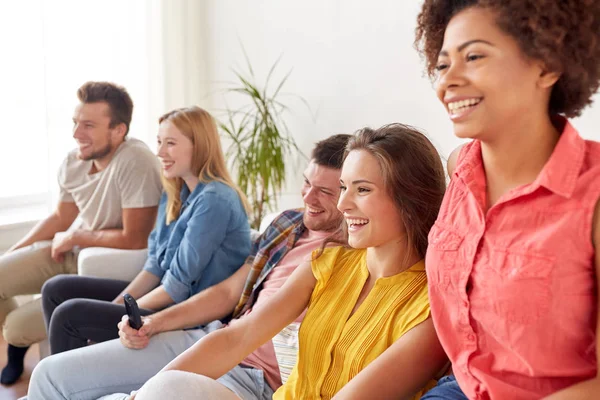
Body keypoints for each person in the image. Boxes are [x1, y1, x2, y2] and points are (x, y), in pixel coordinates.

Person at [131, 124, 449, 400]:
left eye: (362, 190)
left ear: (411, 200)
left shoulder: (432, 307)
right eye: (343, 188)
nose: (343, 204)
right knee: (165, 389)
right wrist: (146, 391)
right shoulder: (326, 264)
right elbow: (237, 337)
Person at [24, 134, 352, 400]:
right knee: (50, 375)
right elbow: (227, 292)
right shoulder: (287, 223)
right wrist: (154, 322)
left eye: (324, 192)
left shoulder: (360, 258)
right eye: (307, 183)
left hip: (258, 382)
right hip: (213, 339)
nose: (308, 197)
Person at [414, 1, 600, 399]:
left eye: (474, 56)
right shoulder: (461, 172)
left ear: (548, 64)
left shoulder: (593, 196)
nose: (448, 81)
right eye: (443, 64)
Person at [40, 105, 252, 355]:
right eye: (159, 141)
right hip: (166, 294)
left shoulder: (215, 200)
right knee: (57, 289)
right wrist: (118, 306)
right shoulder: (174, 192)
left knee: (71, 314)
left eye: (170, 143)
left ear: (200, 146)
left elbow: (177, 287)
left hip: (188, 311)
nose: (160, 152)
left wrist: (118, 316)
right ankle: (69, 375)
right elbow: (154, 267)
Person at [0, 81, 162, 385]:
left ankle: (15, 342)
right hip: (67, 252)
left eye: (88, 125)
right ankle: (16, 343)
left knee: (14, 328)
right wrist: (15, 251)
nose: (76, 134)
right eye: (75, 123)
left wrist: (76, 237)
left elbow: (134, 238)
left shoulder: (135, 161)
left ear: (118, 130)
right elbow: (62, 216)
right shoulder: (74, 161)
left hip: (102, 263)